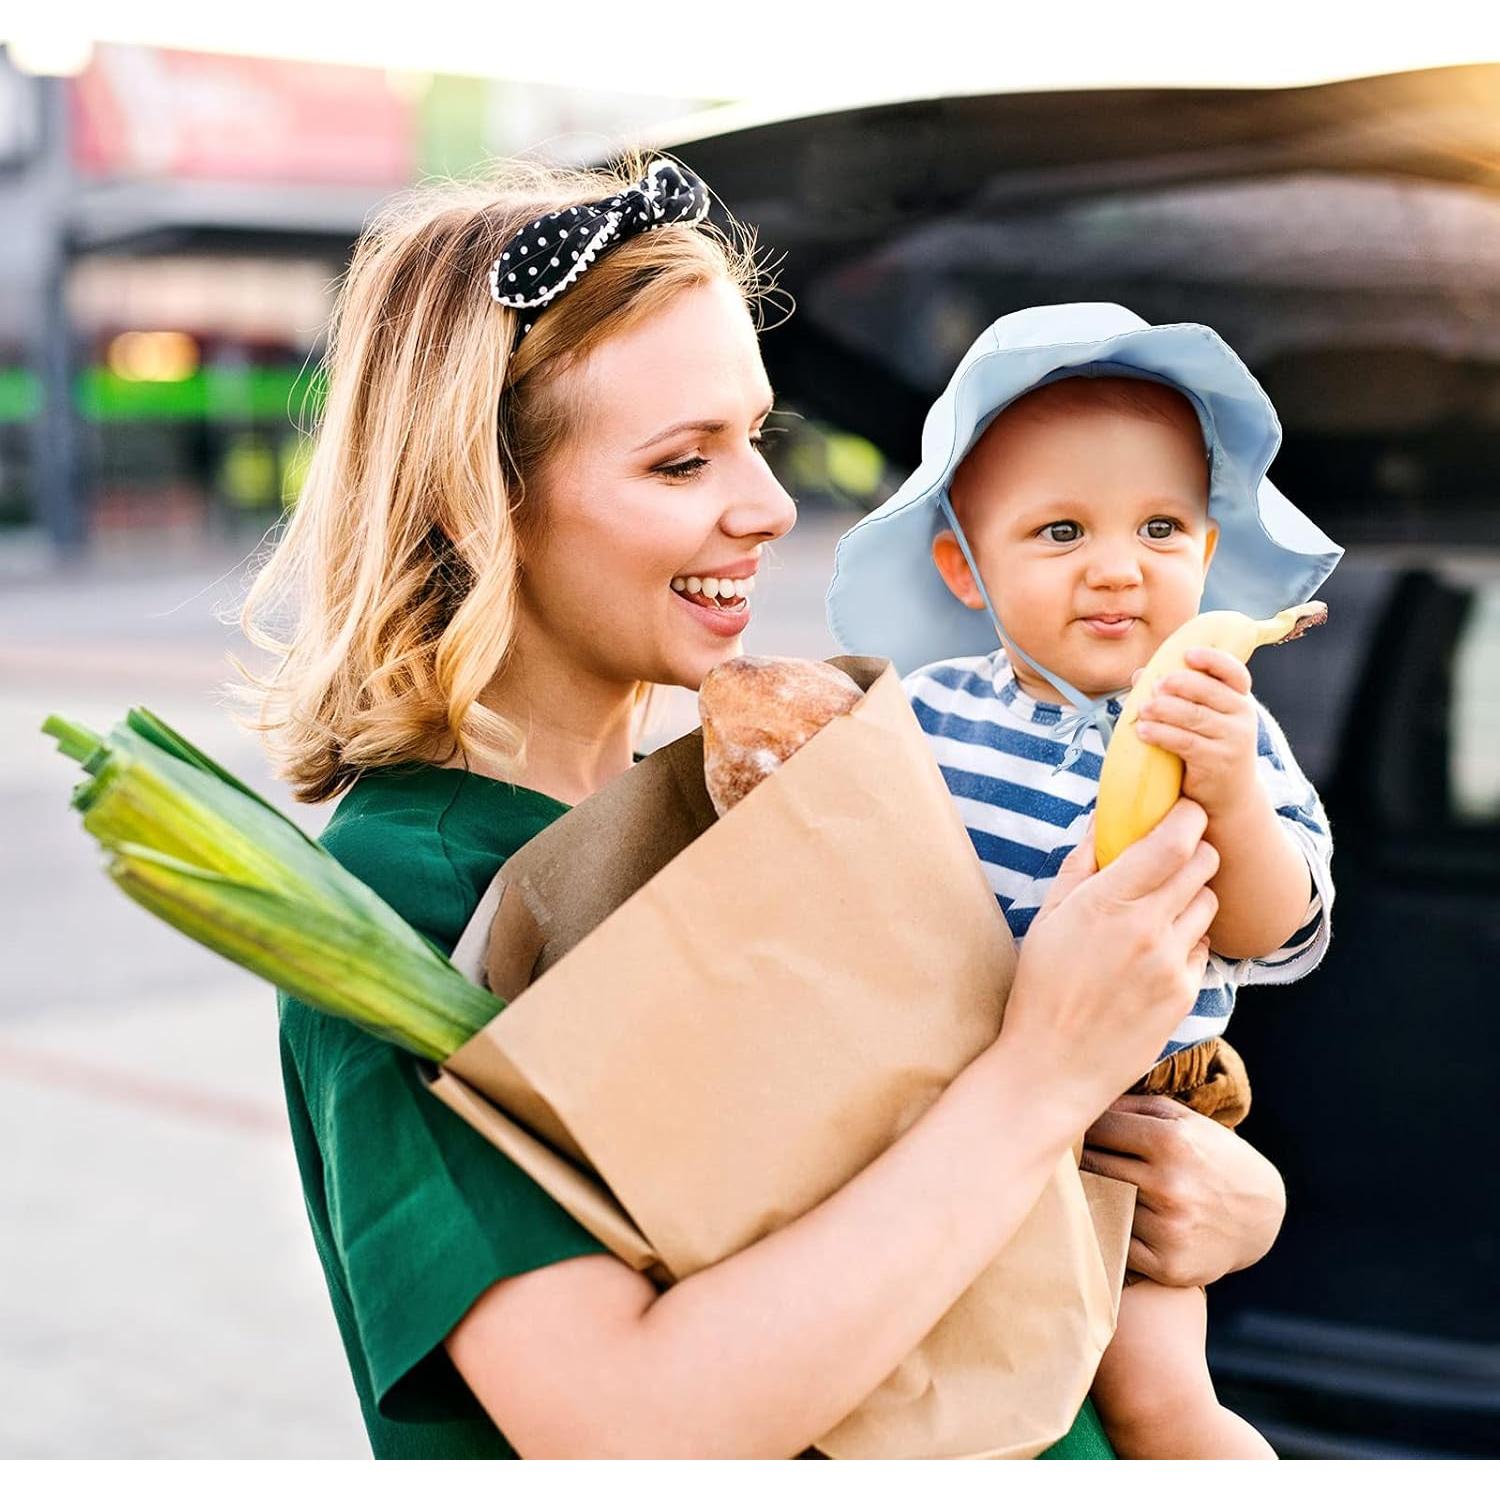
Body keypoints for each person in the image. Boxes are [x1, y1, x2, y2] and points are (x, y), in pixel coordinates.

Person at [240, 162, 1289, 1460]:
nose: (771, 508)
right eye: (683, 462)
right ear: (480, 499)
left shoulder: (737, 797)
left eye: (758, 438)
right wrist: (1041, 1076)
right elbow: (627, 1430)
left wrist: (1209, 1196)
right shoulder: (404, 897)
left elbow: (908, 1165)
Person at [826, 303, 1343, 1457]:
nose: (1117, 567)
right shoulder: (924, 715)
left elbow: (1272, 926)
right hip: (934, 1092)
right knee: (931, 1383)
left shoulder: (1225, 729)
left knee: (1154, 1403)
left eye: (1161, 527)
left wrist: (1229, 794)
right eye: (1061, 532)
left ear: (1206, 555)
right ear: (965, 569)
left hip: (1133, 1114)